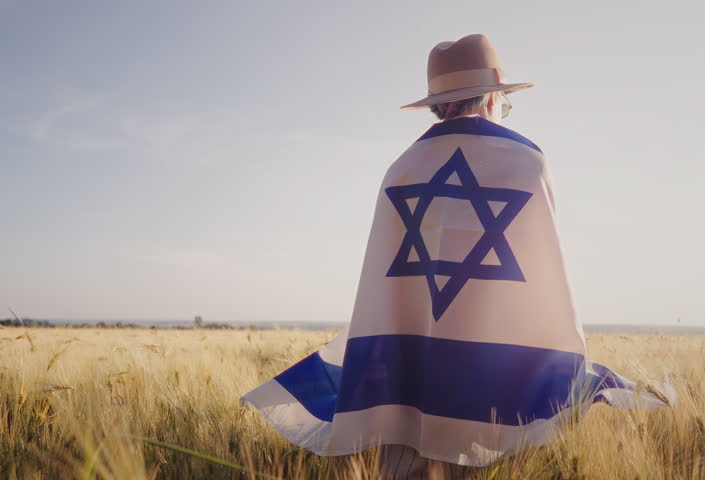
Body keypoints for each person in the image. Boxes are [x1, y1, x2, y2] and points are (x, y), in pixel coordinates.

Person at [242, 33, 669, 480]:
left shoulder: (400, 169)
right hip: (495, 391)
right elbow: (545, 283)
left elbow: (385, 291)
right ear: (492, 98)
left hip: (404, 381)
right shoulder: (527, 162)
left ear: (438, 104)